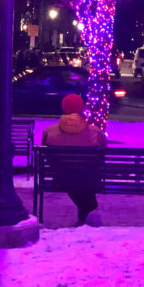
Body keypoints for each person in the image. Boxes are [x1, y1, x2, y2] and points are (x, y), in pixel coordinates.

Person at [41, 93, 106, 226]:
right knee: (82, 179)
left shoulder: (49, 132)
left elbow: (46, 154)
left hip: (61, 179)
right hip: (89, 178)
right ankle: (88, 211)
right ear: (81, 108)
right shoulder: (95, 133)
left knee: (72, 178)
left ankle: (85, 214)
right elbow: (102, 153)